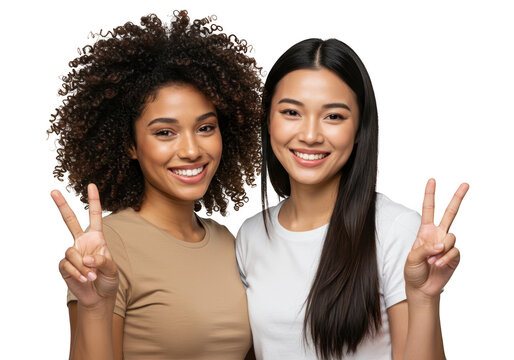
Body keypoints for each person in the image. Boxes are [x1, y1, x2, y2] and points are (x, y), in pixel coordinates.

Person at [236, 38, 468, 360]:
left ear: (360, 129)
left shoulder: (394, 229)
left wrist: (424, 298)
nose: (311, 135)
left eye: (333, 117)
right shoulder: (250, 236)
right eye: (291, 112)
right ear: (268, 119)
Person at [49, 11, 262, 360]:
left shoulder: (228, 242)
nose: (192, 150)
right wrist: (95, 308)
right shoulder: (109, 247)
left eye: (206, 127)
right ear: (130, 145)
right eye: (165, 132)